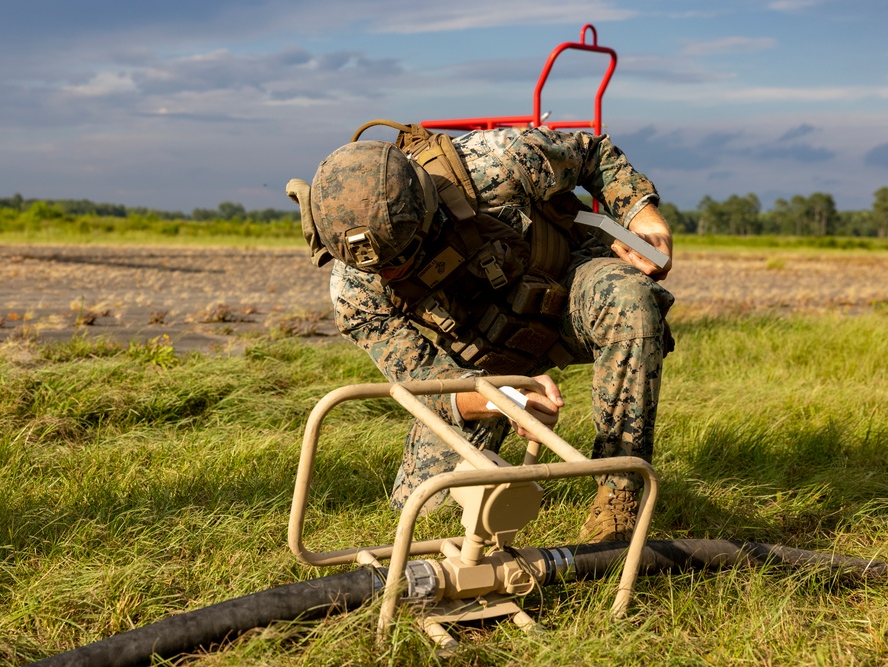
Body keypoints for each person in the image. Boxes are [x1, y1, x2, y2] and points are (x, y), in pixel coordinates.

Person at [287, 121, 674, 543]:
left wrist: (641, 218)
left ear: (426, 209)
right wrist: (501, 399)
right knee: (422, 513)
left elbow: (592, 154)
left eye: (402, 257)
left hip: (567, 296)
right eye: (377, 269)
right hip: (481, 364)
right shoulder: (355, 290)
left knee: (630, 298)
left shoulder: (498, 163)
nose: (391, 272)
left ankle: (618, 496)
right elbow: (424, 382)